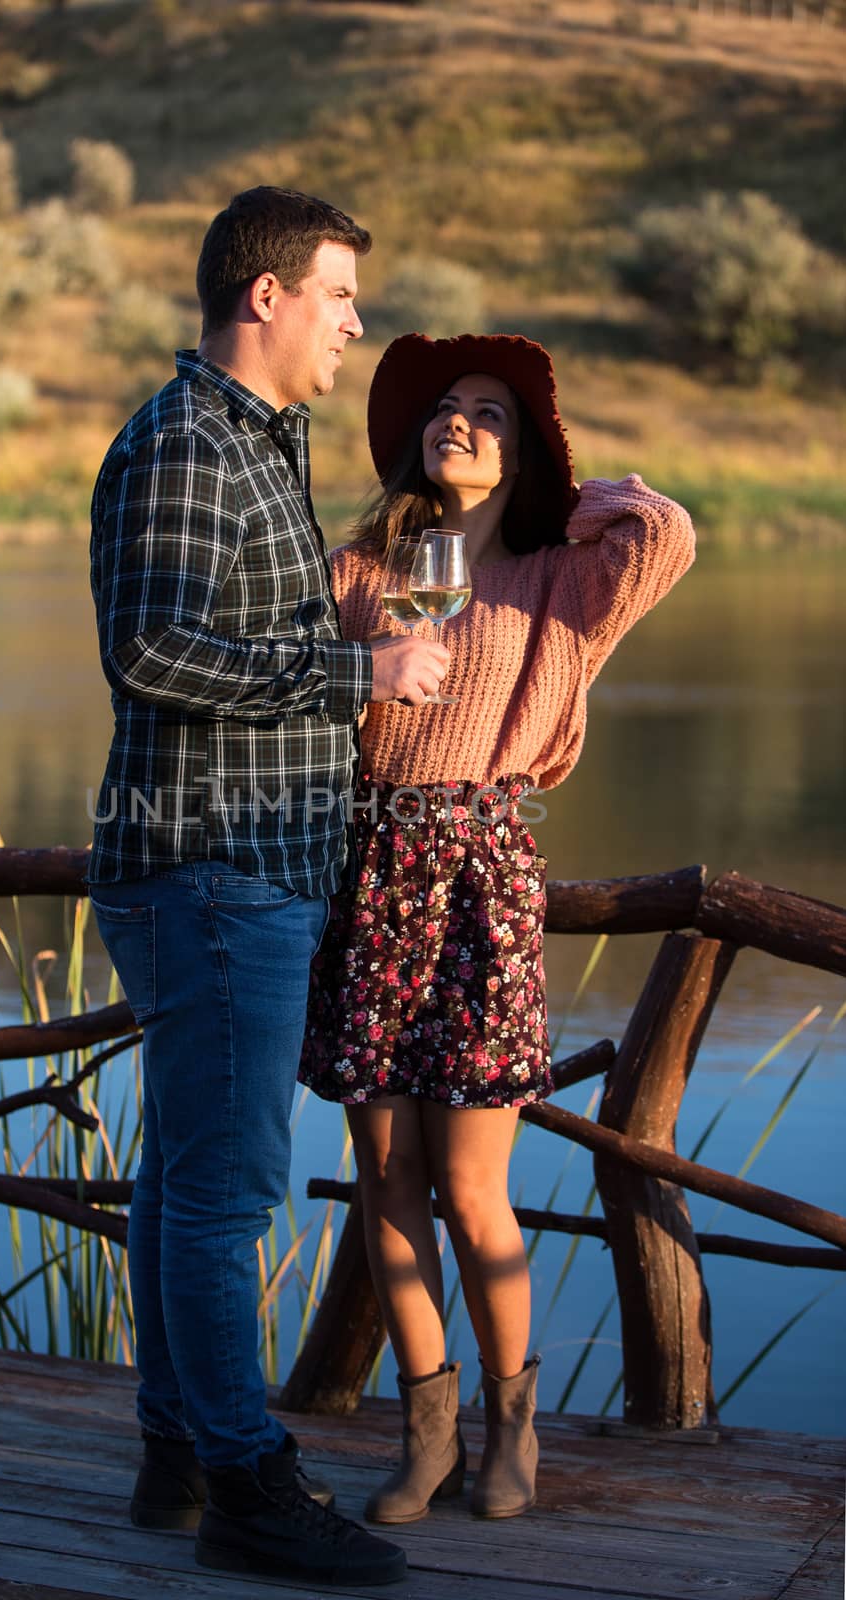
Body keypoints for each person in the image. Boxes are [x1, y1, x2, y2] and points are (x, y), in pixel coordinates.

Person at [87, 188, 446, 1588]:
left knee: (182, 1178)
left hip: (233, 868)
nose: (354, 323)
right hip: (216, 869)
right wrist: (357, 674)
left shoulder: (256, 445)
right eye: (340, 296)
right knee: (226, 1191)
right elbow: (152, 653)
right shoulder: (187, 442)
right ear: (266, 297)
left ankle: (179, 1452)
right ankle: (242, 1478)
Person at [300, 332, 696, 1525]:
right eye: (443, 409)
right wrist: (360, 670)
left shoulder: (562, 579)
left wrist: (571, 501)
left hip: (477, 877)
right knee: (384, 1174)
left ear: (521, 451)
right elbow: (284, 689)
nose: (456, 422)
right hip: (366, 871)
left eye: (487, 414)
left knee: (472, 1186)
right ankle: (425, 1430)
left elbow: (666, 533)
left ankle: (509, 1431)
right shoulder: (360, 571)